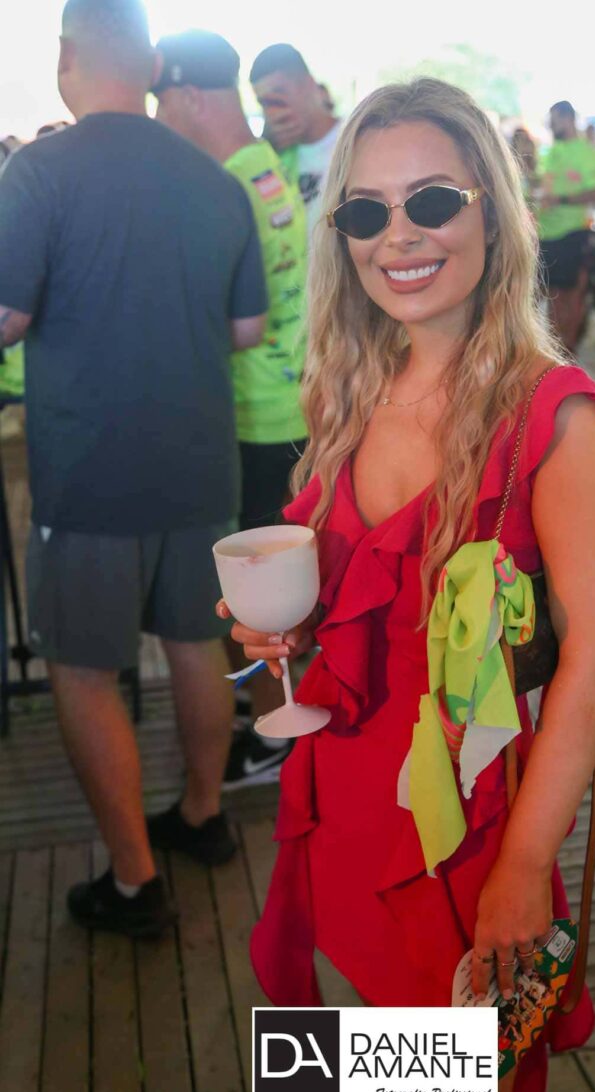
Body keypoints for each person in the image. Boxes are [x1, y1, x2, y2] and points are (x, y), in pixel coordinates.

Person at [223, 77, 595, 1092]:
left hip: (466, 823)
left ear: (492, 215)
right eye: (366, 212)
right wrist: (284, 624)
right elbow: (350, 598)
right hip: (343, 795)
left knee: (481, 1086)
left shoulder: (551, 417)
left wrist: (526, 862)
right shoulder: (351, 388)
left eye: (433, 201)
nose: (397, 236)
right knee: (365, 1046)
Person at [0, 0, 268, 936]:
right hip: (201, 461)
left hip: (91, 472)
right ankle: (203, 813)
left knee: (83, 668)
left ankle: (133, 879)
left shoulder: (39, 172)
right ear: (152, 65)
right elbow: (248, 329)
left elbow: (6, 319)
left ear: (66, 56)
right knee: (196, 643)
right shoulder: (218, 183)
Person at [154, 28, 308, 787]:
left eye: (157, 99)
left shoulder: (227, 186)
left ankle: (276, 737)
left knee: (253, 596)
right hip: (286, 408)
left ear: (186, 96)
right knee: (267, 588)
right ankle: (272, 721)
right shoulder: (263, 167)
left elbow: (232, 319)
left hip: (253, 417)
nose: (155, 117)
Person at [249, 43, 342, 238]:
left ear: (308, 84)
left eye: (279, 93)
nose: (273, 111)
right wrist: (267, 147)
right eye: (264, 102)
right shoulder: (271, 155)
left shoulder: (355, 139)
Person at [537, 100, 595, 352]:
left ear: (568, 119)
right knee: (552, 295)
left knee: (571, 294)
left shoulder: (585, 152)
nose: (551, 125)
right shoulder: (553, 150)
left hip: (573, 231)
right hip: (547, 231)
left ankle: (569, 350)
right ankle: (555, 351)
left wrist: (561, 200)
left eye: (554, 120)